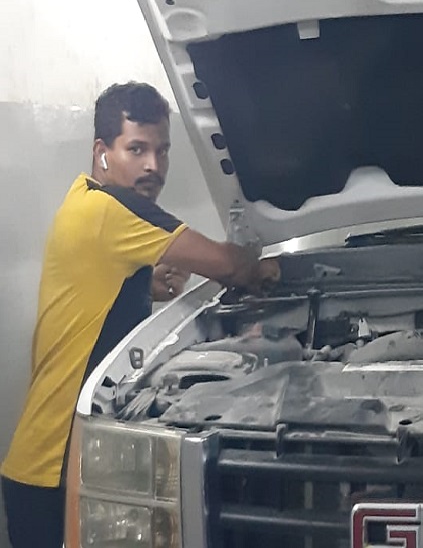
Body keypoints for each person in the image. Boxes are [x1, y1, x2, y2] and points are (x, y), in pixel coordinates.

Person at [0, 82, 280, 548]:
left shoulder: (83, 199)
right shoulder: (115, 209)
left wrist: (141, 285)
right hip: (56, 469)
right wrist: (268, 267)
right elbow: (229, 265)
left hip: (44, 463)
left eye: (162, 150)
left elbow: (88, 290)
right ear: (102, 152)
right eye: (136, 149)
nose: (153, 165)